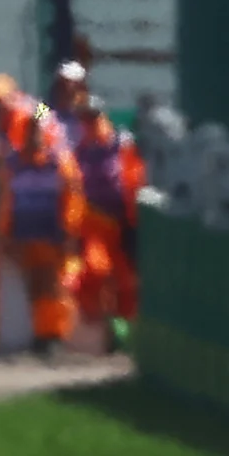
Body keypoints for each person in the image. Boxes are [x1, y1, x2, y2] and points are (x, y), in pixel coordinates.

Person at [0, 114, 86, 354]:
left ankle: (54, 334)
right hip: (23, 234)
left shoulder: (59, 162)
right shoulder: (12, 165)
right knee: (34, 285)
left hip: (52, 235)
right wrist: (4, 234)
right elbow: (5, 202)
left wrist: (69, 230)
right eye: (29, 131)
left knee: (52, 285)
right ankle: (42, 333)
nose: (33, 137)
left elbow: (73, 198)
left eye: (37, 131)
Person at [72, 110, 143, 342]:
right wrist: (42, 110)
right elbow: (39, 112)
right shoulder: (68, 132)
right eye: (87, 119)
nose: (91, 124)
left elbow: (136, 176)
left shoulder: (120, 143)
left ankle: (124, 331)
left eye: (94, 118)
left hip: (122, 222)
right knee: (95, 270)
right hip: (92, 222)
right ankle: (96, 323)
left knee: (126, 280)